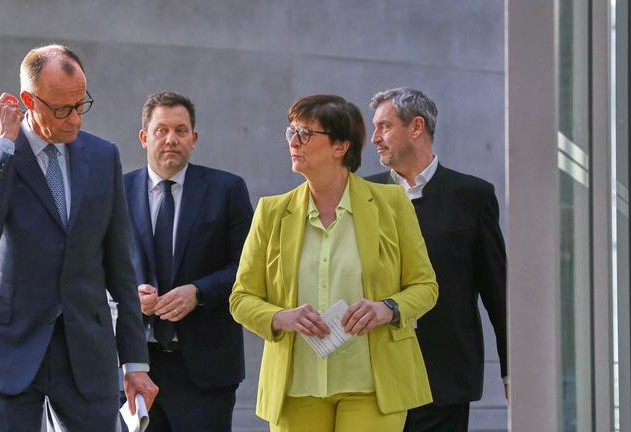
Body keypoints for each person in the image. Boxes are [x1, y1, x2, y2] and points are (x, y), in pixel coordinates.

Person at [0, 44, 158, 431]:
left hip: (86, 349)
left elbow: (119, 262)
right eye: (63, 109)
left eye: (82, 105)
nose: (76, 119)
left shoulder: (102, 156)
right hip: (7, 346)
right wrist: (2, 147)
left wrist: (135, 363)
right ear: (29, 100)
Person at [229, 94, 438, 432]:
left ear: (341, 146)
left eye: (306, 134)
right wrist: (281, 317)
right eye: (291, 133)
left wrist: (388, 308)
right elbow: (241, 299)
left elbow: (425, 286)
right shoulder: (271, 212)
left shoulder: (391, 204)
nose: (293, 143)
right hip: (295, 388)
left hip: (373, 386)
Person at [365, 87, 508, 432]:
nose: (374, 139)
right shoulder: (363, 195)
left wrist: (511, 369)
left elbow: (497, 289)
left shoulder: (472, 195)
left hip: (444, 376)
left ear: (416, 127)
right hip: (375, 376)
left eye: (384, 127)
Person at [123, 90, 253, 431]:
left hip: (206, 370)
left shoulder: (227, 190)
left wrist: (198, 291)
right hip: (136, 367)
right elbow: (95, 268)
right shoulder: (115, 193)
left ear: (193, 139)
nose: (171, 139)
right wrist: (129, 295)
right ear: (143, 137)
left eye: (181, 131)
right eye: (161, 130)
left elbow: (250, 268)